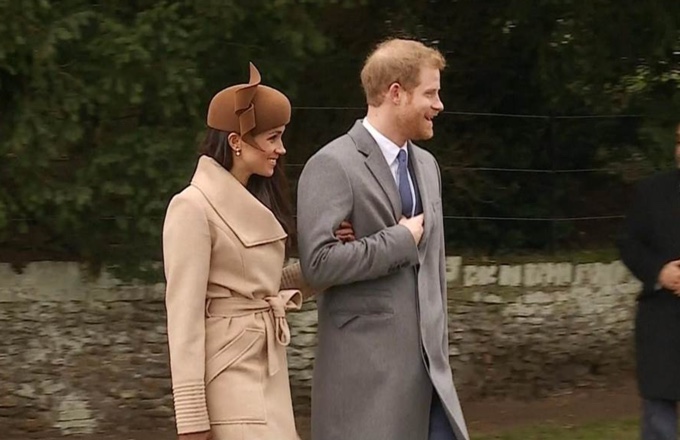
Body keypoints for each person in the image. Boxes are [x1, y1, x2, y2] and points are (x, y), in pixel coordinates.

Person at [162, 63, 353, 440]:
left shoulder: (255, 199)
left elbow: (264, 288)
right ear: (236, 142)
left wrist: (332, 255)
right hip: (228, 377)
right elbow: (183, 318)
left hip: (268, 370)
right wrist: (191, 419)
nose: (282, 149)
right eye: (273, 138)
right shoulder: (191, 208)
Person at [296, 38, 469, 440]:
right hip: (367, 390)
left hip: (432, 384)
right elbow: (317, 265)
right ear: (396, 93)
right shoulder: (332, 164)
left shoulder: (427, 165)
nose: (439, 104)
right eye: (430, 93)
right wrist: (399, 241)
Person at [619, 122, 680, 440]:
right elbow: (629, 244)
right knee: (659, 417)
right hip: (662, 319)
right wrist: (659, 272)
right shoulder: (651, 192)